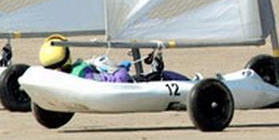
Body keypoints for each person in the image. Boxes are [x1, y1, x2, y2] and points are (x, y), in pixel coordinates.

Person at [39, 35, 188, 83]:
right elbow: (120, 79)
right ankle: (194, 84)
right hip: (132, 85)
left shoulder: (65, 76)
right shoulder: (82, 73)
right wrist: (122, 68)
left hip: (122, 82)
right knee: (162, 76)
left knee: (156, 74)